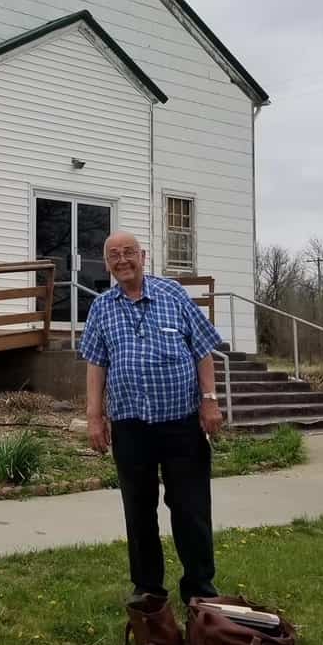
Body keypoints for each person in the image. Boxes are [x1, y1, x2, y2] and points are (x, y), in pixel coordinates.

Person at [79, 231, 225, 605]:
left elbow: (203, 349)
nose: (122, 260)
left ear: (143, 256)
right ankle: (148, 591)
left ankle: (200, 591)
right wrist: (95, 418)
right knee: (139, 510)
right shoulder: (101, 308)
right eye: (114, 255)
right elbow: (96, 366)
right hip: (130, 427)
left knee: (191, 508)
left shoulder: (173, 295)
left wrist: (209, 400)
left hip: (181, 423)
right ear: (107, 263)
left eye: (129, 253)